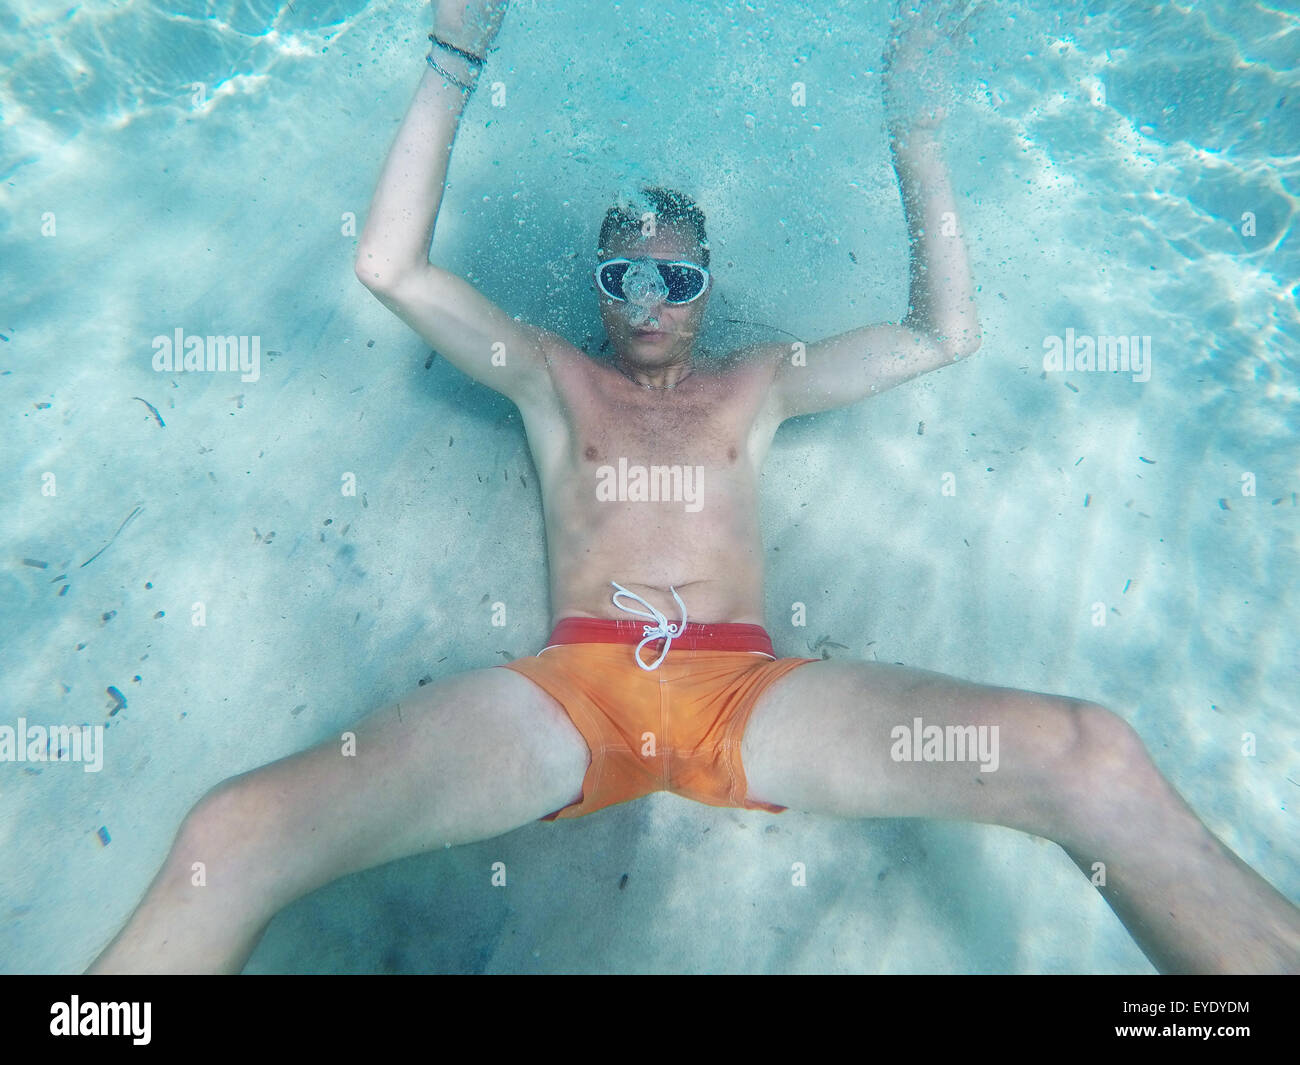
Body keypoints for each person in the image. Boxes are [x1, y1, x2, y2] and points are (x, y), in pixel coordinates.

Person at [89, 0, 1299, 974]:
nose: (648, 302)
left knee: (1090, 758)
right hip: (572, 695)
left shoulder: (756, 385)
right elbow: (388, 264)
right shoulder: (551, 376)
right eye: (623, 274)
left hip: (745, 691)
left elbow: (940, 336)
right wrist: (454, 54)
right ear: (597, 281)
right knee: (228, 837)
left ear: (708, 283)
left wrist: (912, 124)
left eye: (674, 278)